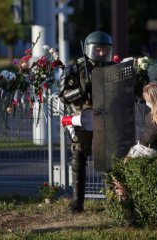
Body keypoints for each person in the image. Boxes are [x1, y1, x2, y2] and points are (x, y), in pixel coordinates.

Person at [59, 31, 114, 213]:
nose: (101, 54)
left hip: (106, 118)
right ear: (90, 49)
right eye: (98, 50)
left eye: (104, 50)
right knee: (78, 158)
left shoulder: (114, 68)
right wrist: (82, 90)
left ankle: (113, 201)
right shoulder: (74, 69)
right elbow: (64, 96)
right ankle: (77, 203)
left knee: (109, 161)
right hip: (82, 118)